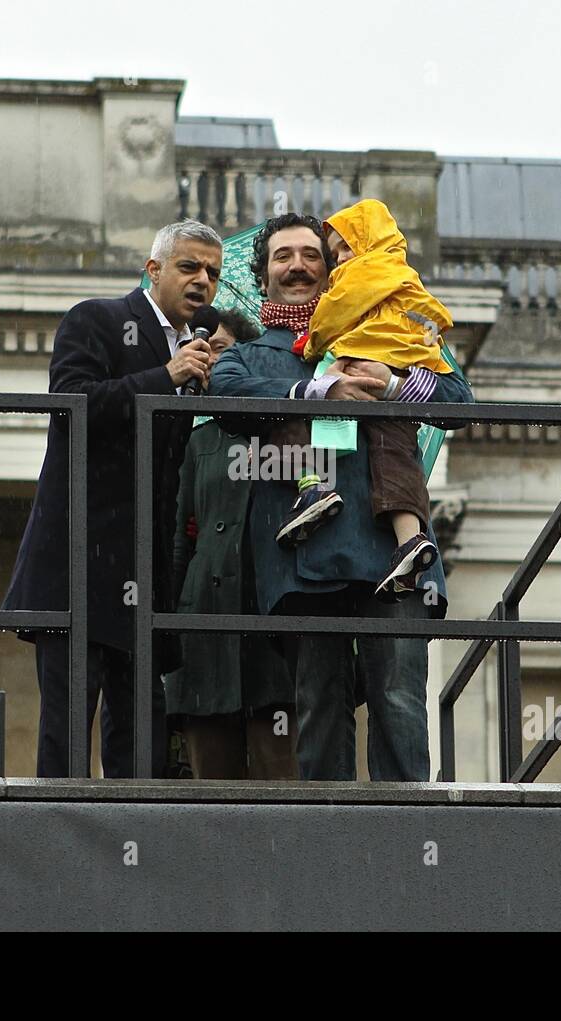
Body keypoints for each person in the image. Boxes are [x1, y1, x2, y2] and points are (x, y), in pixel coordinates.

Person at [209, 212, 474, 782]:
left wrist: (396, 383)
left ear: (335, 271)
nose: (299, 264)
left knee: (400, 699)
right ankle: (326, 843)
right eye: (283, 256)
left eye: (312, 254)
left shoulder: (383, 329)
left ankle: (409, 835)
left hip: (391, 551)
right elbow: (226, 393)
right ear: (263, 276)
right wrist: (314, 388)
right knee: (319, 706)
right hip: (304, 557)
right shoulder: (252, 354)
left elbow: (460, 400)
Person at [2, 219, 223, 778]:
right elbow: (71, 402)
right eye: (189, 267)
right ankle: (57, 855)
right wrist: (163, 377)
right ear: (152, 270)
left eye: (213, 274)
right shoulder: (98, 319)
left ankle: (132, 858)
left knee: (139, 747)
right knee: (67, 738)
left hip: (142, 582)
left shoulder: (196, 357)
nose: (203, 281)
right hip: (78, 568)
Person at [275, 199, 456, 603]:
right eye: (334, 252)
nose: (338, 260)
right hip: (324, 571)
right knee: (394, 454)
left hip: (373, 359)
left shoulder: (360, 279)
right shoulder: (403, 280)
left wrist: (391, 384)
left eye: (341, 249)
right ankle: (410, 539)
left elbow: (460, 399)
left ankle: (313, 489)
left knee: (306, 405)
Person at [165, 309, 299, 780]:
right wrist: (165, 623)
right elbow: (178, 540)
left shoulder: (285, 430)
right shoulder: (195, 440)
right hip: (205, 624)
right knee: (209, 791)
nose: (210, 362)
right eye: (203, 350)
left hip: (271, 625)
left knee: (282, 783)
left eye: (221, 350)